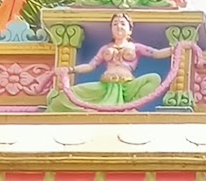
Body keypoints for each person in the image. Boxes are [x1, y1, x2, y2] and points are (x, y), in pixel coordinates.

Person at [46, 11, 175, 111]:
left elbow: (156, 53)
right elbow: (91, 66)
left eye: (122, 24)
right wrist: (70, 69)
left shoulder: (136, 47)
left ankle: (130, 107)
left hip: (128, 87)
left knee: (154, 78)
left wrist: (175, 49)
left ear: (130, 30)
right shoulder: (106, 48)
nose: (119, 26)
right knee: (64, 97)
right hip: (105, 87)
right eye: (115, 24)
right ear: (111, 30)